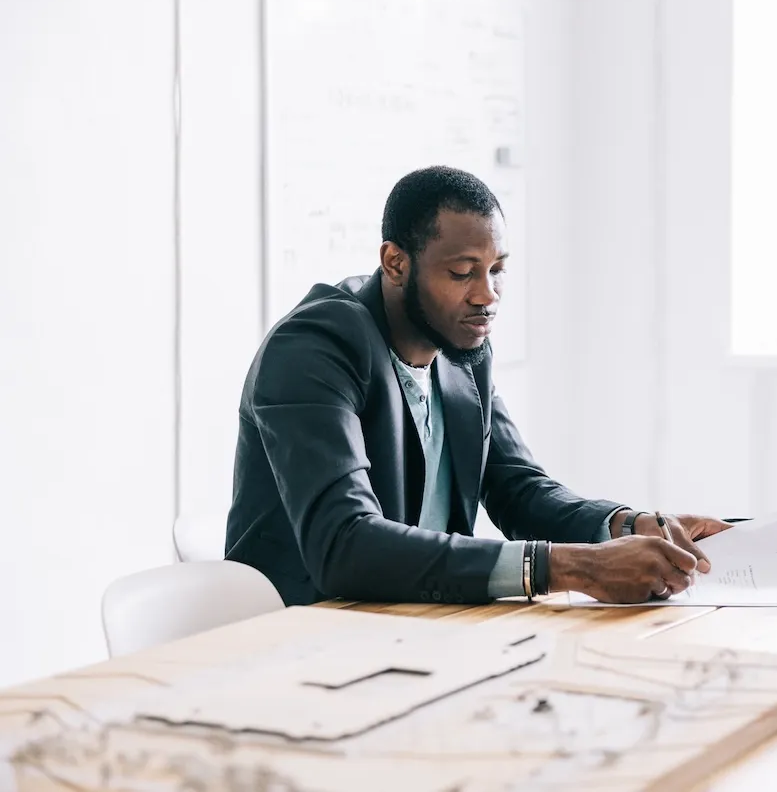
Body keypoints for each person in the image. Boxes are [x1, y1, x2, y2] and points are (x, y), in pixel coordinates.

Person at [226, 166, 729, 606]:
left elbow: (518, 490)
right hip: (308, 636)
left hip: (419, 622)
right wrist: (576, 568)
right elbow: (346, 545)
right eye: (463, 272)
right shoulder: (313, 349)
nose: (487, 295)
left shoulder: (462, 349)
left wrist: (628, 525)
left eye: (497, 270)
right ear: (396, 263)